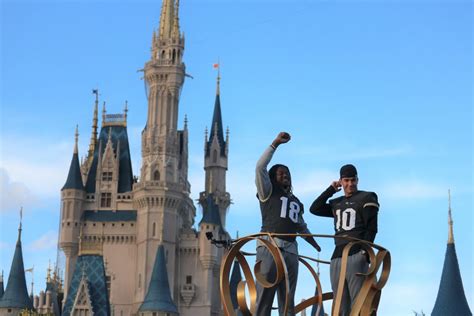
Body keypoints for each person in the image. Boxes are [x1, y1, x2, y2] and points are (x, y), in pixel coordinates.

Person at [255, 131, 321, 316]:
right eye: (280, 172)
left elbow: (301, 225)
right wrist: (275, 144)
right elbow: (260, 167)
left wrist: (313, 242)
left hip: (291, 249)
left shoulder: (296, 202)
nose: (285, 175)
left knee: (288, 301)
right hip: (270, 245)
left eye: (287, 173)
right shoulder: (267, 192)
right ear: (273, 176)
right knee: (264, 297)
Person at [309, 164, 379, 316]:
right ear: (341, 181)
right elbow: (314, 208)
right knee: (340, 304)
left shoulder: (367, 197)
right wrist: (331, 189)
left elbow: (371, 227)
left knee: (359, 302)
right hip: (337, 256)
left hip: (356, 252)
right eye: (346, 180)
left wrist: (364, 252)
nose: (350, 184)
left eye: (353, 180)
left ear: (357, 180)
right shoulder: (336, 202)